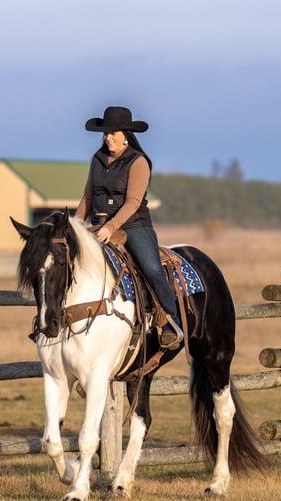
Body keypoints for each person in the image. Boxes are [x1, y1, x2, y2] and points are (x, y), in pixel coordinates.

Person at [75, 105, 183, 349]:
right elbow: (87, 198)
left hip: (134, 225)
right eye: (105, 133)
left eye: (113, 132)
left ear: (126, 134)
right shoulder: (98, 160)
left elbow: (133, 202)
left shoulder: (138, 162)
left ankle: (171, 322)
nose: (108, 137)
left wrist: (111, 227)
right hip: (99, 225)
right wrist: (75, 227)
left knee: (152, 268)